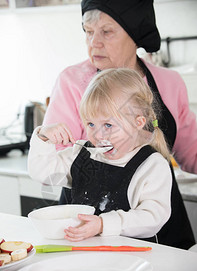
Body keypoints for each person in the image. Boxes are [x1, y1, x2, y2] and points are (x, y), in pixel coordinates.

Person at [42, 0, 197, 249]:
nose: (94, 43)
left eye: (107, 31)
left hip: (157, 227)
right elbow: (55, 166)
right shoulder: (72, 81)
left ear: (134, 34)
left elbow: (192, 151)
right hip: (86, 229)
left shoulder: (169, 82)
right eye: (88, 31)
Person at [28, 68, 172, 243]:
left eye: (108, 125)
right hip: (84, 255)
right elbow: (42, 171)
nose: (98, 136)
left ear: (138, 122)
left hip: (130, 260)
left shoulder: (152, 165)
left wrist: (103, 224)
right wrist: (43, 137)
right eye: (90, 124)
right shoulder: (83, 154)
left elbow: (152, 217)